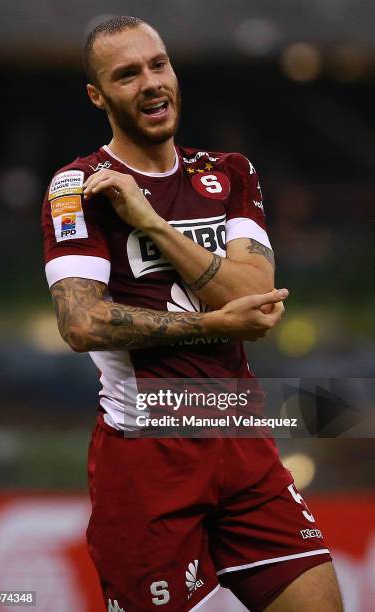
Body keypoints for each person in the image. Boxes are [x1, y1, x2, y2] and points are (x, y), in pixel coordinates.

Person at [41, 15, 343, 612]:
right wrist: (210, 324)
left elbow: (253, 293)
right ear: (97, 96)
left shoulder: (229, 172)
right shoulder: (78, 187)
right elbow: (81, 322)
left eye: (158, 64)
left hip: (243, 443)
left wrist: (150, 222)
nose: (151, 83)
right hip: (148, 456)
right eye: (127, 75)